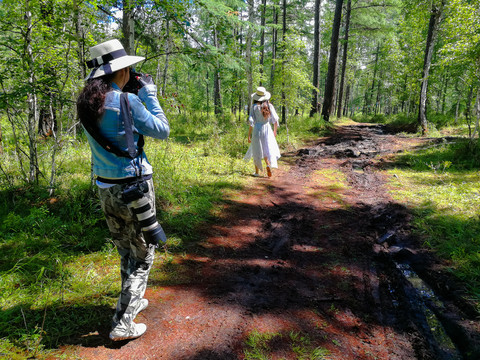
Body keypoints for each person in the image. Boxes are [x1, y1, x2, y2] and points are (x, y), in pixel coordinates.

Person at [76, 39, 169, 341]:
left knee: (126, 248)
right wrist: (149, 94)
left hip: (106, 187)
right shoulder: (127, 101)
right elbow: (162, 130)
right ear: (121, 70)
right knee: (143, 254)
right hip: (135, 187)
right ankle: (123, 323)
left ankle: (131, 300)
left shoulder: (88, 102)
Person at [244, 86, 281, 177]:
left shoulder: (254, 107)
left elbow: (251, 122)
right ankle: (268, 165)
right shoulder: (269, 106)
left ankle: (257, 172)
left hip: (257, 129)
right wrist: (275, 131)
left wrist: (249, 135)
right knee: (266, 148)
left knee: (256, 149)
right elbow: (275, 120)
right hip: (267, 129)